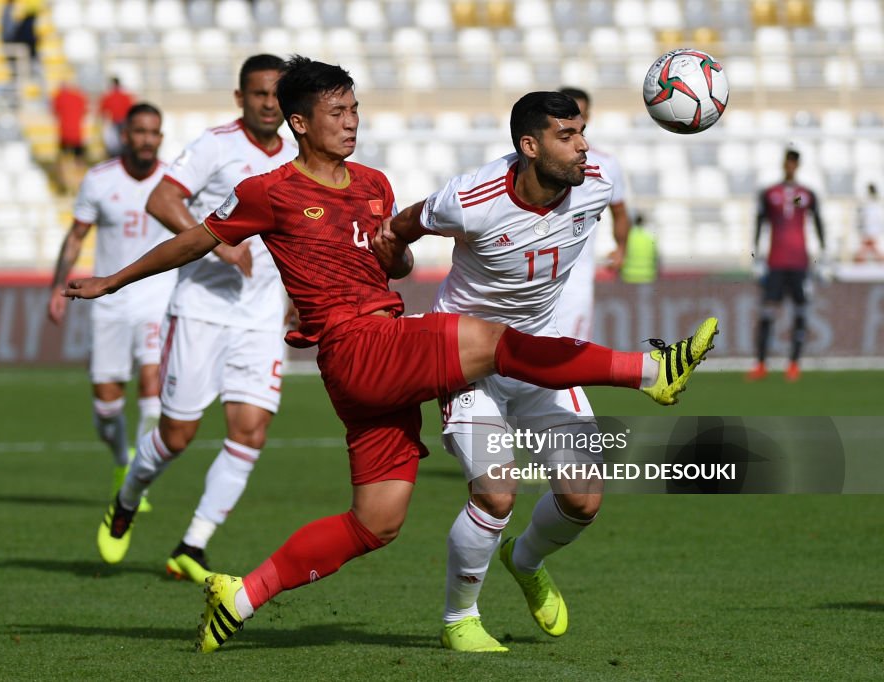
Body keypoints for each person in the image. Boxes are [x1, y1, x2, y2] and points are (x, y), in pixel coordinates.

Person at [61, 57, 718, 654]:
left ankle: (239, 596)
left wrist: (394, 256)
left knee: (376, 523)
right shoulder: (272, 190)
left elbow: (391, 260)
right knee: (490, 341)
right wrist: (110, 280)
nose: (351, 123)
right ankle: (648, 370)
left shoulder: (374, 183)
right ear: (300, 122)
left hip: (381, 350)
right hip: (357, 348)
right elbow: (197, 240)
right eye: (337, 113)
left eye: (355, 110)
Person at [382, 91, 645, 651]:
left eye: (581, 132)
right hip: (466, 360)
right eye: (567, 136)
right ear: (530, 146)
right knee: (497, 493)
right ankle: (460, 618)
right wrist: (392, 263)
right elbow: (403, 225)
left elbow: (614, 208)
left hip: (538, 356)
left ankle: (524, 560)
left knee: (583, 501)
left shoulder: (597, 179)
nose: (583, 146)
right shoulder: (469, 198)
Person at [123, 54, 296, 580]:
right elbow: (161, 198)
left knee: (250, 432)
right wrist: (219, 245)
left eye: (277, 94)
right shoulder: (215, 144)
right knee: (177, 436)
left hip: (262, 316)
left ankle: (192, 545)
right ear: (241, 98)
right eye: (259, 94)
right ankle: (129, 493)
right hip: (200, 309)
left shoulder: (298, 153)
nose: (269, 103)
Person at [47, 103, 175, 511]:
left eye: (154, 132)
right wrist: (57, 287)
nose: (146, 139)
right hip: (110, 301)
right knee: (107, 405)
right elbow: (75, 236)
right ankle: (123, 460)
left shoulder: (173, 182)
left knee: (153, 385)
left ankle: (140, 475)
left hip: (159, 298)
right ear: (125, 134)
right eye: (139, 131)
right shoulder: (100, 180)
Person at [553, 87, 631, 340]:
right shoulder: (531, 159)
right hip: (529, 268)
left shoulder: (605, 163)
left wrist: (621, 248)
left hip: (576, 273)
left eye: (580, 116)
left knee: (567, 353)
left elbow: (619, 211)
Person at [747, 149, 825, 382]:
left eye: (794, 162)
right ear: (783, 164)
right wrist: (756, 256)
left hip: (799, 262)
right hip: (776, 261)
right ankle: (761, 363)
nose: (790, 166)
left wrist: (823, 255)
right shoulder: (770, 193)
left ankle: (793, 363)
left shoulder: (805, 194)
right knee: (768, 311)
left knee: (800, 310)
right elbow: (759, 223)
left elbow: (818, 221)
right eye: (787, 162)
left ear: (797, 165)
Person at [52, 80, 89, 194]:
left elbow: (55, 112)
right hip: (78, 135)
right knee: (79, 162)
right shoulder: (79, 97)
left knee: (63, 161)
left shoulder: (59, 97)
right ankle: (80, 185)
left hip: (64, 134)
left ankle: (65, 185)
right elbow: (84, 112)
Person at [99, 77, 135, 158]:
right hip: (123, 123)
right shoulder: (126, 96)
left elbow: (102, 111)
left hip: (114, 123)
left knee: (114, 146)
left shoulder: (108, 96)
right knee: (124, 145)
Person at [855, 183, 883, 263]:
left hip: (870, 230)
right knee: (870, 248)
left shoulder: (872, 205)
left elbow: (869, 218)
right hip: (870, 230)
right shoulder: (873, 204)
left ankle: (859, 262)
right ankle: (859, 261)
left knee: (868, 248)